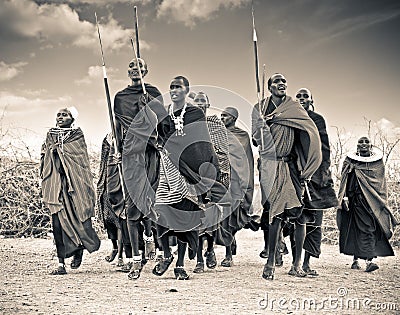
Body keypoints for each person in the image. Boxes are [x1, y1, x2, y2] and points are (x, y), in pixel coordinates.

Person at [152, 76, 228, 280]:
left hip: (188, 168)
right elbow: (158, 137)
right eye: (171, 87)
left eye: (179, 87)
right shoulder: (165, 113)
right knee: (160, 207)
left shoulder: (194, 113)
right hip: (167, 166)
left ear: (186, 91)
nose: (174, 90)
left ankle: (180, 264)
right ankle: (167, 254)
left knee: (186, 213)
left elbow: (199, 142)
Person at [252, 73, 322, 280]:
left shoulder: (294, 108)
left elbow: (308, 132)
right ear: (269, 86)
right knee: (274, 213)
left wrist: (307, 167)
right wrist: (262, 126)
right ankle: (271, 261)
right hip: (269, 166)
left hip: (291, 166)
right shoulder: (260, 108)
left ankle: (296, 263)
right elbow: (257, 141)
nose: (281, 84)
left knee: (297, 215)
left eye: (284, 81)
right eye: (276, 81)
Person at [112, 57, 169, 280]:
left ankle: (163, 252)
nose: (135, 69)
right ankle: (136, 259)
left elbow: (164, 125)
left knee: (152, 203)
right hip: (129, 154)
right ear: (128, 71)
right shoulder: (120, 97)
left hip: (150, 152)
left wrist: (149, 109)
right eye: (131, 66)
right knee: (131, 206)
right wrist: (117, 149)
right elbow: (117, 125)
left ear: (146, 71)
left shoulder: (154, 93)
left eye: (140, 67)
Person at [284, 88, 338, 276]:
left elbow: (325, 150)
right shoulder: (289, 119)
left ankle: (306, 263)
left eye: (305, 96)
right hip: (295, 175)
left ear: (311, 100)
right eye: (298, 96)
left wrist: (321, 173)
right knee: (298, 220)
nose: (301, 99)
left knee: (315, 222)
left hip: (317, 177)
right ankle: (295, 263)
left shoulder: (318, 120)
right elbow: (285, 146)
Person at [41, 107, 100, 275]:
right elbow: (44, 155)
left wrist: (60, 152)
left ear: (72, 119)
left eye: (65, 115)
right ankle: (61, 264)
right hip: (56, 184)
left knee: (81, 221)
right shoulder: (50, 135)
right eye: (58, 114)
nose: (60, 117)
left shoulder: (77, 136)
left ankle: (79, 248)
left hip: (75, 185)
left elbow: (81, 161)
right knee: (57, 224)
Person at [337, 136, 397, 272]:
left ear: (371, 146)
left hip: (372, 203)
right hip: (354, 201)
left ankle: (365, 260)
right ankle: (364, 260)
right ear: (357, 146)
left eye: (366, 142)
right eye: (361, 142)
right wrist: (344, 197)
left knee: (369, 228)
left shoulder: (377, 163)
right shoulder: (349, 161)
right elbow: (345, 179)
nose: (363, 144)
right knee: (356, 229)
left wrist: (380, 201)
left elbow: (380, 184)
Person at [192, 92, 231, 273]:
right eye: (197, 100)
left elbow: (223, 153)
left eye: (203, 100)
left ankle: (210, 249)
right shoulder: (188, 125)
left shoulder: (216, 125)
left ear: (208, 104)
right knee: (197, 214)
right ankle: (199, 258)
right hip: (192, 175)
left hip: (213, 173)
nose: (200, 103)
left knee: (212, 213)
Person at [220, 106, 254, 267]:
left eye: (225, 116)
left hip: (238, 181)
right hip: (222, 180)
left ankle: (231, 240)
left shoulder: (243, 136)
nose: (222, 118)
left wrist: (245, 182)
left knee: (235, 217)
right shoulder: (218, 135)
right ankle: (228, 254)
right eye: (221, 116)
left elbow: (246, 160)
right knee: (224, 218)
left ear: (233, 118)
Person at [96, 133, 124, 266]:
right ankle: (115, 247)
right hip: (107, 180)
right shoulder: (107, 137)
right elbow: (103, 161)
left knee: (120, 219)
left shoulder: (127, 136)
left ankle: (120, 255)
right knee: (108, 218)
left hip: (121, 181)